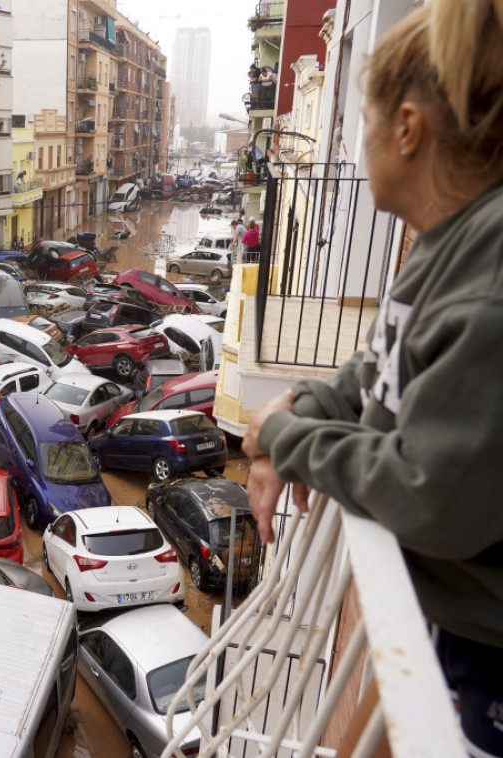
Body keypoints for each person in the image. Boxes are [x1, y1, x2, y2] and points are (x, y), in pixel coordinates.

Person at [242, 2, 503, 755]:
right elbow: (377, 362)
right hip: (460, 624)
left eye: (363, 115)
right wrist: (307, 404)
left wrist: (286, 435)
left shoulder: (489, 277)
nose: (357, 138)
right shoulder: (446, 239)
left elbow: (430, 493)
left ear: (408, 129)